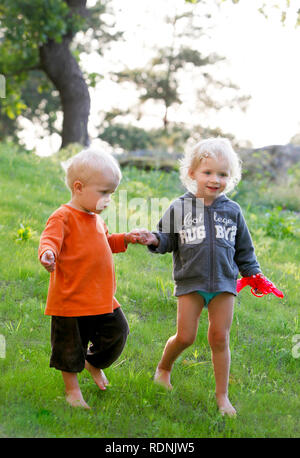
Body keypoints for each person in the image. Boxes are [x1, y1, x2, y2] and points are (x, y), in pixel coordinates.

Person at [141, 137, 267, 416]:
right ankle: (164, 368)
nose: (215, 179)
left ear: (230, 178)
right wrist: (154, 239)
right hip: (191, 283)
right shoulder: (179, 207)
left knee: (219, 338)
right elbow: (166, 239)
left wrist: (254, 273)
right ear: (192, 173)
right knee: (185, 336)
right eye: (208, 172)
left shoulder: (233, 211)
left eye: (222, 174)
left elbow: (244, 250)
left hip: (224, 284)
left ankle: (222, 397)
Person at [39, 148, 144, 409]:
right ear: (79, 187)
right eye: (104, 192)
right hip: (71, 298)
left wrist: (126, 238)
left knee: (117, 332)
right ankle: (72, 391)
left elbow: (105, 243)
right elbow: (49, 239)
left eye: (111, 193)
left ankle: (93, 362)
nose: (108, 199)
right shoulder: (63, 216)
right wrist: (48, 253)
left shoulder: (95, 219)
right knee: (70, 347)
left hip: (101, 296)